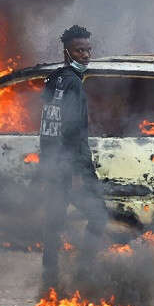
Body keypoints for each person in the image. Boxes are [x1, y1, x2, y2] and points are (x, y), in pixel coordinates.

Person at [38, 25, 106, 291]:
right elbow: (73, 131)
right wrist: (84, 172)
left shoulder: (53, 80)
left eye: (89, 50)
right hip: (70, 167)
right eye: (80, 50)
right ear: (67, 51)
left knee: (53, 222)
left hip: (53, 165)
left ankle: (49, 276)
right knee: (99, 216)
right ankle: (84, 272)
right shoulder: (74, 84)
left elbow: (47, 125)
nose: (86, 55)